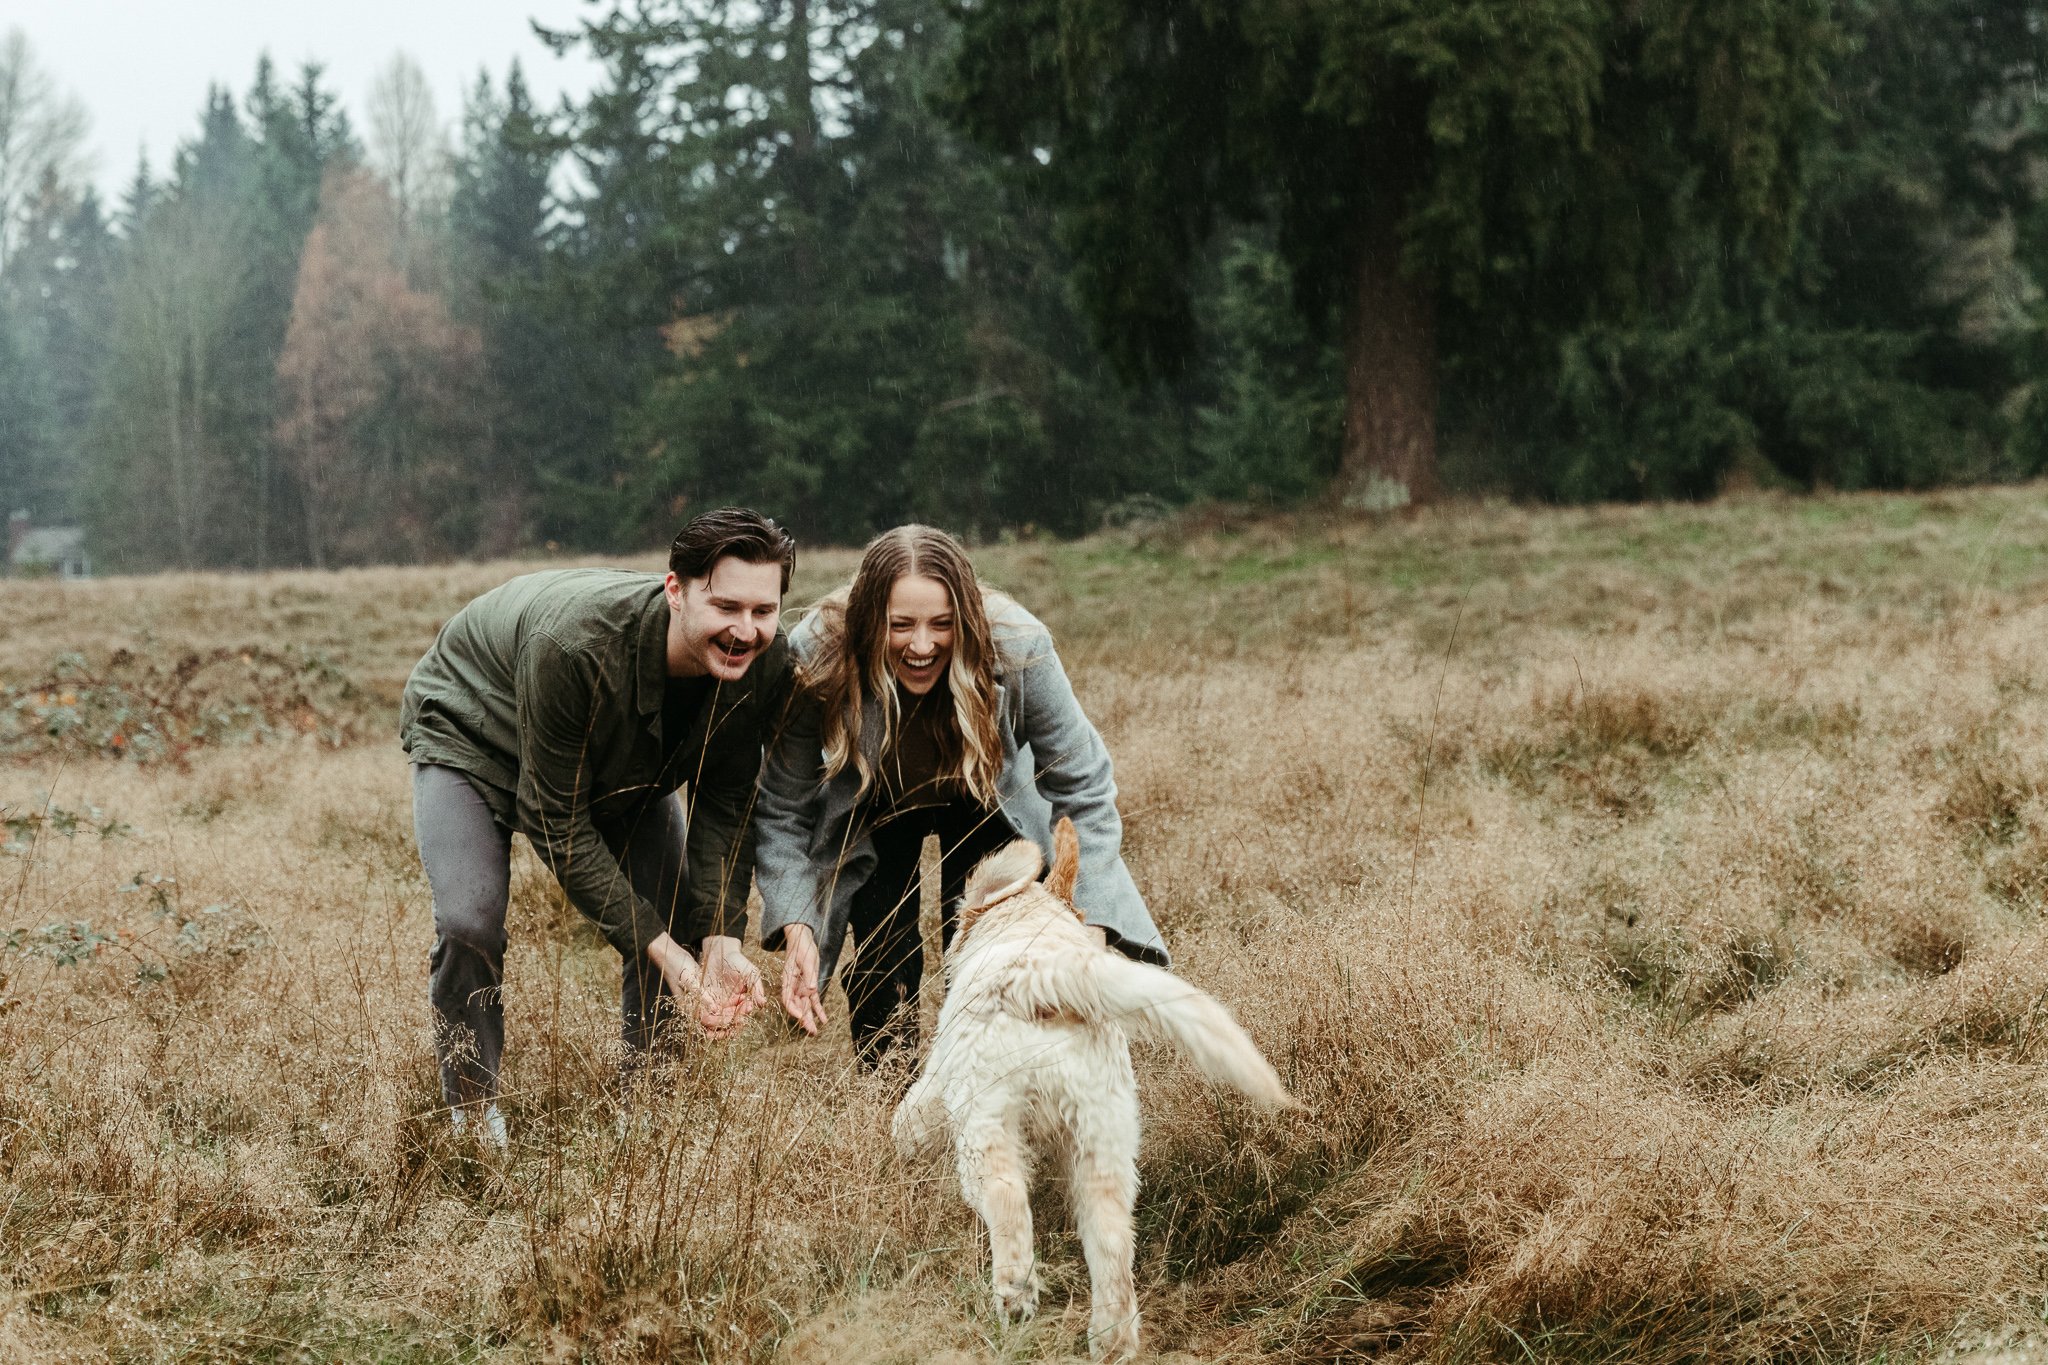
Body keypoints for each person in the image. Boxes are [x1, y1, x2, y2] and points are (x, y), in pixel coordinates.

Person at [399, 507, 794, 1144]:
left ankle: (650, 1107)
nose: (745, 631)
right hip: (474, 730)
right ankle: (472, 1118)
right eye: (726, 607)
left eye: (763, 612)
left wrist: (720, 939)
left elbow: (726, 803)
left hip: (624, 754)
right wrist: (666, 951)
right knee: (471, 921)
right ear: (676, 591)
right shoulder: (574, 647)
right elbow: (558, 821)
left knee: (670, 906)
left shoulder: (764, 666)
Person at [756, 523, 1167, 1067]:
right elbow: (781, 807)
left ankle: (984, 1076)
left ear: (967, 621)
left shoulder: (1018, 645)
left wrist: (1086, 923)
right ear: (866, 624)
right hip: (876, 803)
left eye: (942, 626)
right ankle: (891, 1099)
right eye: (899, 626)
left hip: (983, 795)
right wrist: (799, 923)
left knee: (988, 951)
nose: (922, 645)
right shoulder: (817, 652)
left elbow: (1083, 784)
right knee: (885, 954)